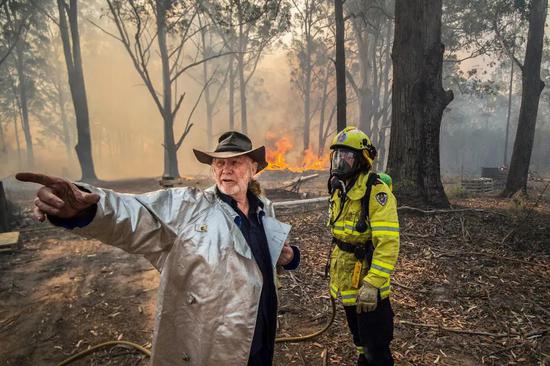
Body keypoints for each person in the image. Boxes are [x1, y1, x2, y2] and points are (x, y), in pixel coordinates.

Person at [16, 131, 300, 366]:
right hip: (213, 347)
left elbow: (260, 261)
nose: (225, 170)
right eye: (218, 163)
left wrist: (288, 257)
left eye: (235, 162)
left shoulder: (265, 210)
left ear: (253, 169)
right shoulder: (190, 207)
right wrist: (85, 209)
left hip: (261, 335)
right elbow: (133, 212)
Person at [326, 126, 399, 366]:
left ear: (362, 159)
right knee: (360, 341)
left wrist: (372, 284)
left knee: (375, 348)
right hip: (347, 281)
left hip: (368, 284)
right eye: (337, 155)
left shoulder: (376, 191)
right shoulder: (341, 188)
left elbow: (387, 243)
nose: (340, 161)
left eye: (347, 155)